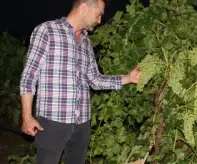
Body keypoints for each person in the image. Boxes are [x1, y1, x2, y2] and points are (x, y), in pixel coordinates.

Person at [19, 0, 141, 163]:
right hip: (52, 121)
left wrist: (128, 78)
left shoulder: (87, 43)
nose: (99, 20)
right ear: (84, 8)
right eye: (98, 14)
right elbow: (29, 76)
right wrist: (27, 116)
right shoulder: (47, 31)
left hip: (82, 121)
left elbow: (95, 80)